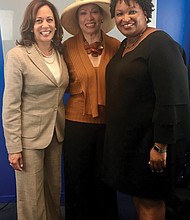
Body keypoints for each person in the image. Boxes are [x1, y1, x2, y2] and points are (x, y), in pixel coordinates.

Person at [102, 0, 190, 220]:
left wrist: (160, 146)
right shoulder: (127, 44)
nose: (125, 18)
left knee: (151, 201)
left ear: (145, 12)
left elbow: (172, 98)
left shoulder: (161, 44)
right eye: (119, 13)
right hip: (132, 142)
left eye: (132, 11)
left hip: (151, 143)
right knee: (139, 197)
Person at [2, 0, 69, 219]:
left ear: (56, 24)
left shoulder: (60, 53)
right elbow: (11, 105)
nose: (45, 25)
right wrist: (14, 147)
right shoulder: (18, 56)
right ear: (31, 25)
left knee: (52, 192)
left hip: (56, 134)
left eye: (49, 19)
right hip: (28, 138)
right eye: (39, 20)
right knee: (31, 199)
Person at [61, 0, 120, 219]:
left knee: (105, 178)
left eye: (94, 12)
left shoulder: (116, 45)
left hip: (108, 123)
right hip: (76, 122)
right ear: (77, 20)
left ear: (102, 17)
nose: (89, 17)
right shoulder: (66, 47)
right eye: (83, 13)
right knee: (77, 178)